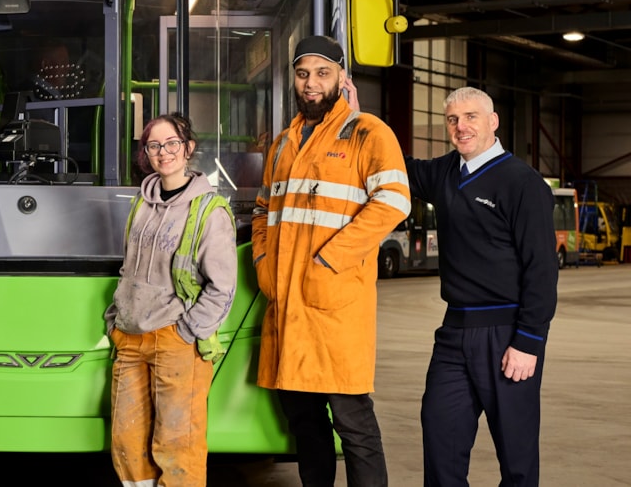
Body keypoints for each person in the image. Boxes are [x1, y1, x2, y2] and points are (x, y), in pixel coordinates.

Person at [252, 35, 410, 487]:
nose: (311, 84)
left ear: (343, 77)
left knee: (354, 424)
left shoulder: (368, 132)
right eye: (303, 74)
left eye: (323, 73)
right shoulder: (283, 143)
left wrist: (328, 260)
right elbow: (265, 209)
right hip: (287, 305)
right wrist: (263, 263)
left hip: (335, 306)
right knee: (305, 424)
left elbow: (394, 202)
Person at [404, 86, 557, 487]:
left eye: (471, 117)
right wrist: (353, 119)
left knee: (517, 456)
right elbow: (391, 165)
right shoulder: (445, 173)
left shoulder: (523, 184)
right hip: (454, 333)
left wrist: (528, 342)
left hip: (507, 334)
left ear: (493, 122)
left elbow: (541, 271)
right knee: (440, 438)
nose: (461, 126)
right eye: (452, 119)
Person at [105, 112, 238, 487]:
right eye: (154, 146)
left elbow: (222, 286)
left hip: (175, 341)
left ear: (188, 148)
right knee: (127, 443)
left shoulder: (209, 211)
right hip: (130, 338)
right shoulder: (141, 203)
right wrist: (116, 318)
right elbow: (129, 267)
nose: (163, 152)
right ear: (146, 153)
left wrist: (186, 331)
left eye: (171, 144)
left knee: (176, 445)